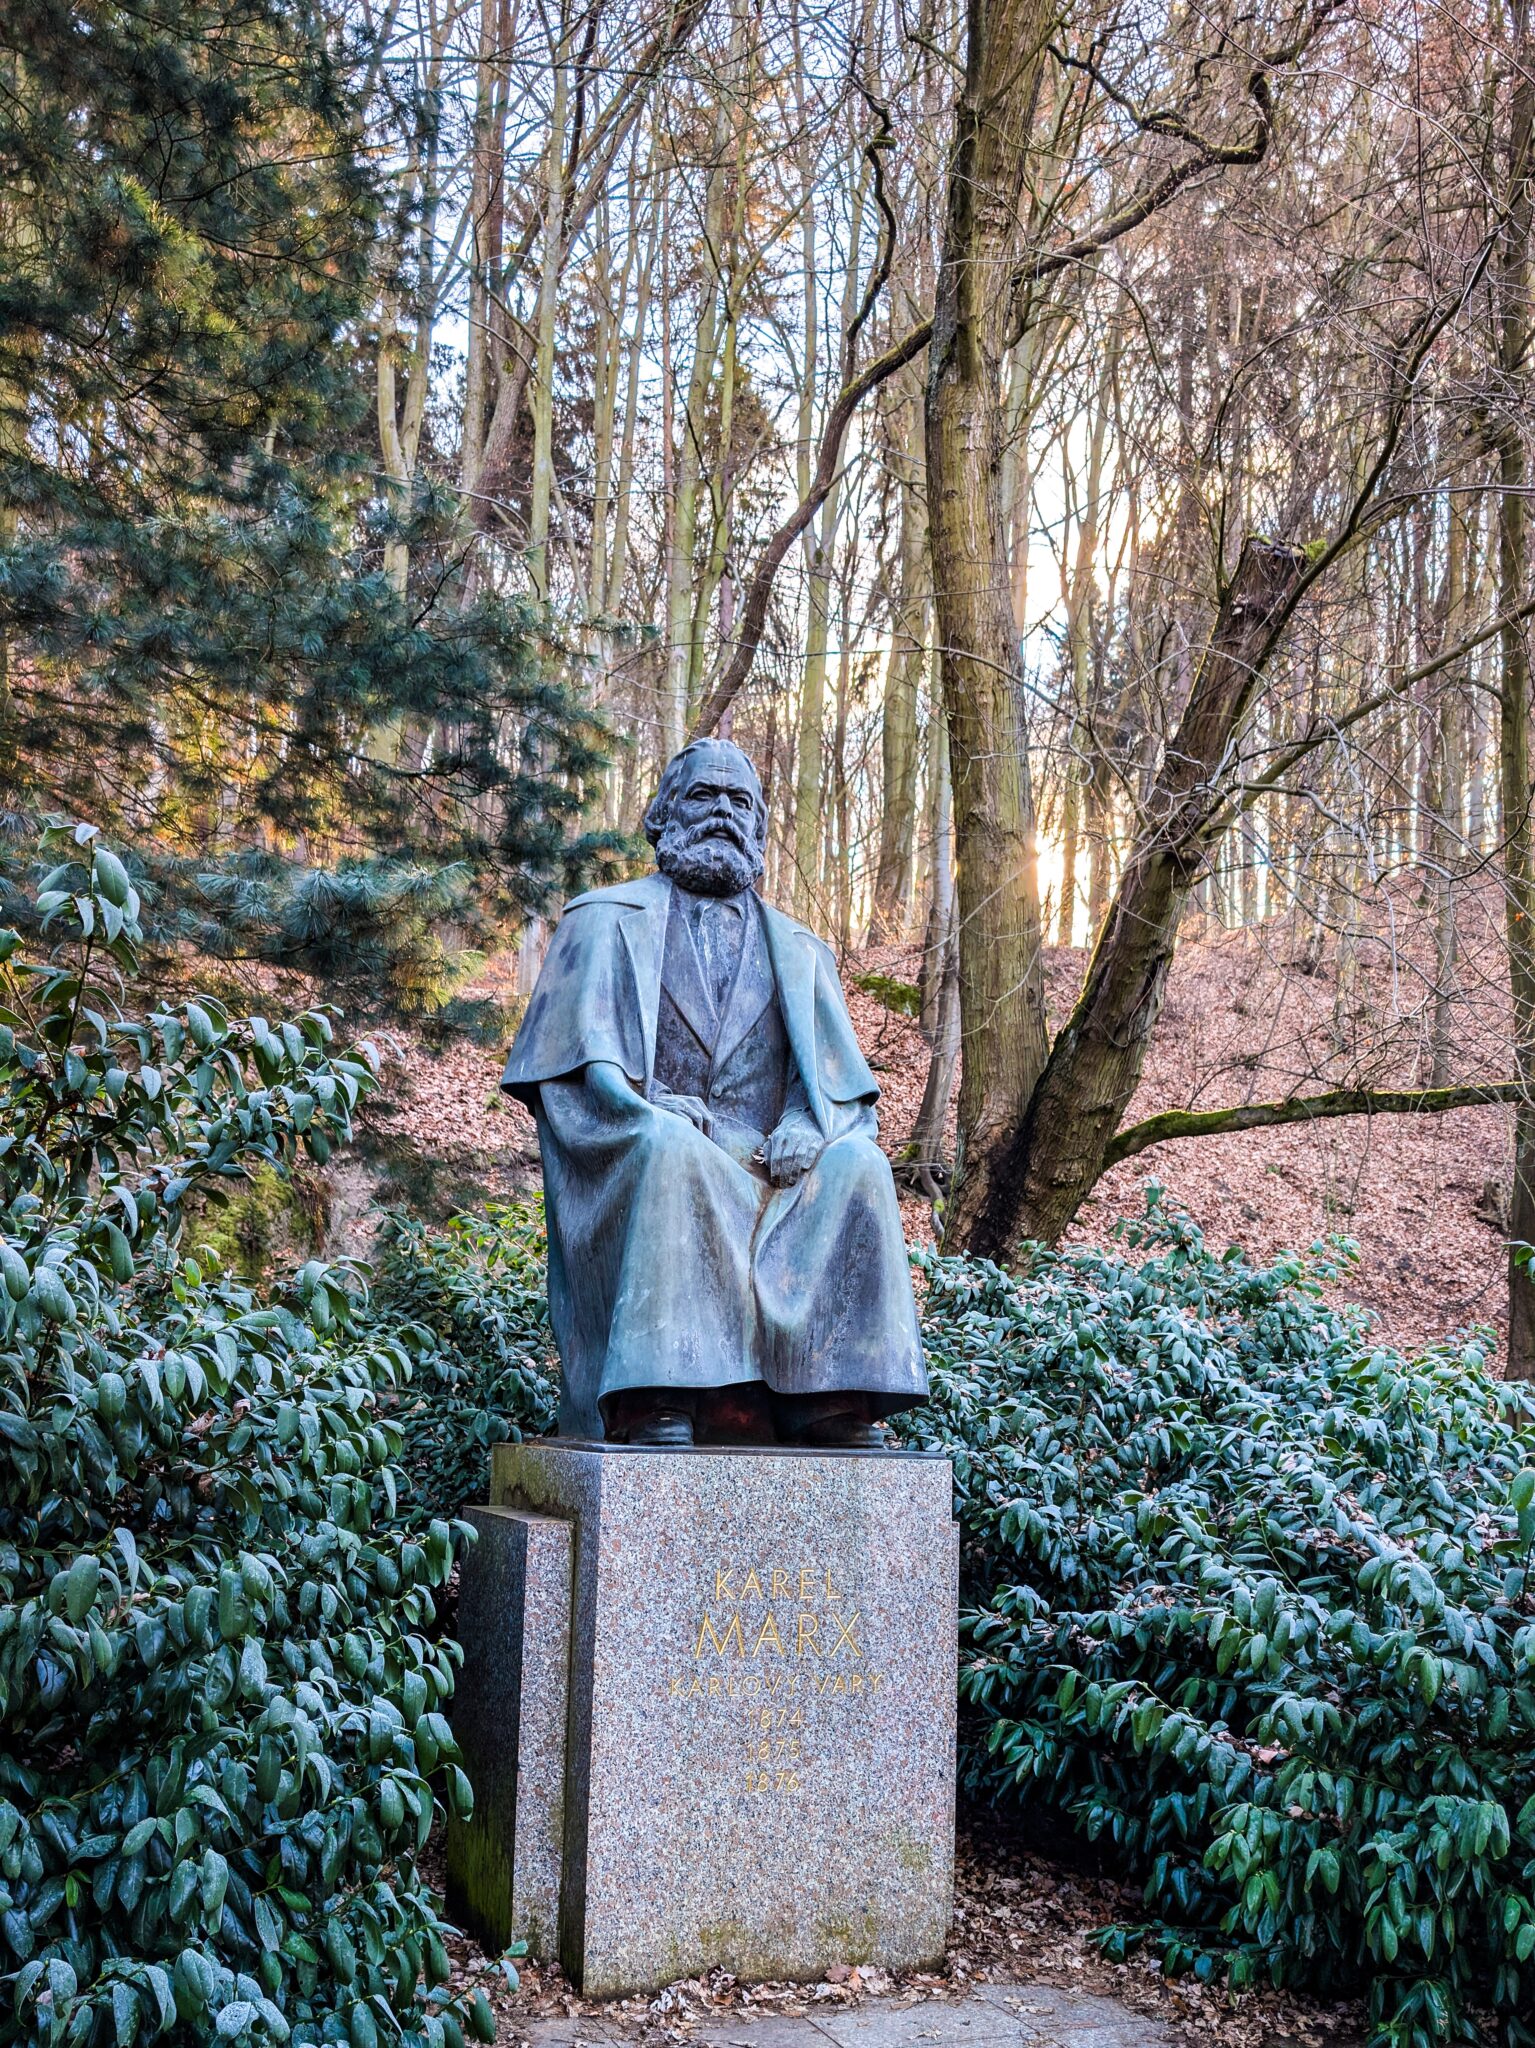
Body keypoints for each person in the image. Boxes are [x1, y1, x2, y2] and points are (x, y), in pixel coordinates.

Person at [502, 738, 928, 1446]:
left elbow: (839, 1090)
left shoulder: (800, 948)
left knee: (859, 1166)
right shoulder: (601, 920)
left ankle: (826, 1396)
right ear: (663, 812)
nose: (723, 812)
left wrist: (804, 1120)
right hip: (651, 1141)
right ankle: (656, 1396)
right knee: (670, 1149)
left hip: (767, 1157)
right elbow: (575, 1071)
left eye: (741, 802)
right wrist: (642, 1103)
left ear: (760, 828)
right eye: (704, 795)